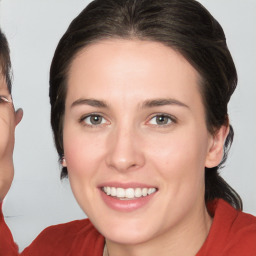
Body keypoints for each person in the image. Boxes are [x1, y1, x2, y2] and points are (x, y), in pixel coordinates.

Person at [1, 0, 256, 255]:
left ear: (215, 140)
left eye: (161, 119)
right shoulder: (50, 249)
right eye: (95, 119)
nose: (122, 157)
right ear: (62, 136)